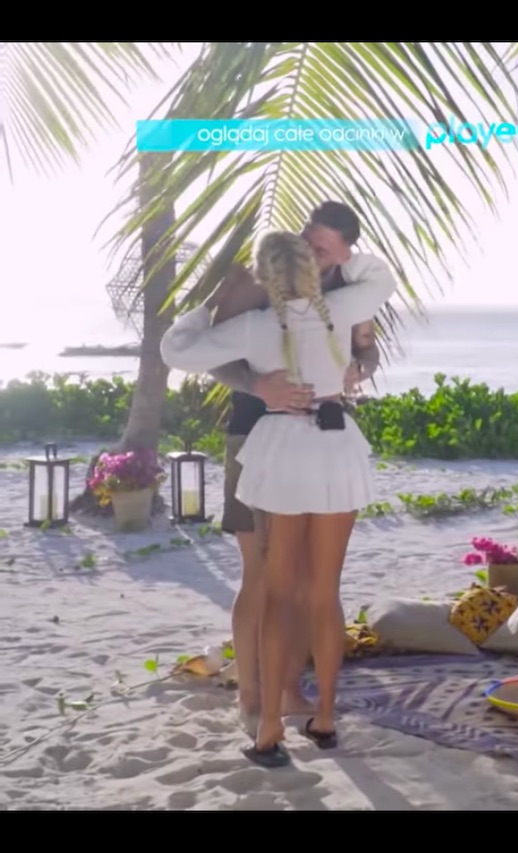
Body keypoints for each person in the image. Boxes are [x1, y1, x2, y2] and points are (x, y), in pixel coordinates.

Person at [161, 229, 396, 767]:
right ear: (313, 270)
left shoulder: (256, 326)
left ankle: (269, 726)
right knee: (325, 592)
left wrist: (206, 309)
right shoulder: (345, 307)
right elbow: (381, 277)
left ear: (265, 277)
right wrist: (346, 259)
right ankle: (326, 718)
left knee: (279, 591)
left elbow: (176, 350)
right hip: (335, 446)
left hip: (284, 450)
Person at [207, 202, 380, 737]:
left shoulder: (346, 292)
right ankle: (251, 694)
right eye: (309, 239)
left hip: (318, 438)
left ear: (344, 254)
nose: (312, 252)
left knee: (309, 581)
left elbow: (368, 349)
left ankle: (288, 688)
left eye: (325, 249)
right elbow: (213, 352)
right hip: (255, 435)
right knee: (261, 574)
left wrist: (359, 368)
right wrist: (258, 385)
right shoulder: (254, 279)